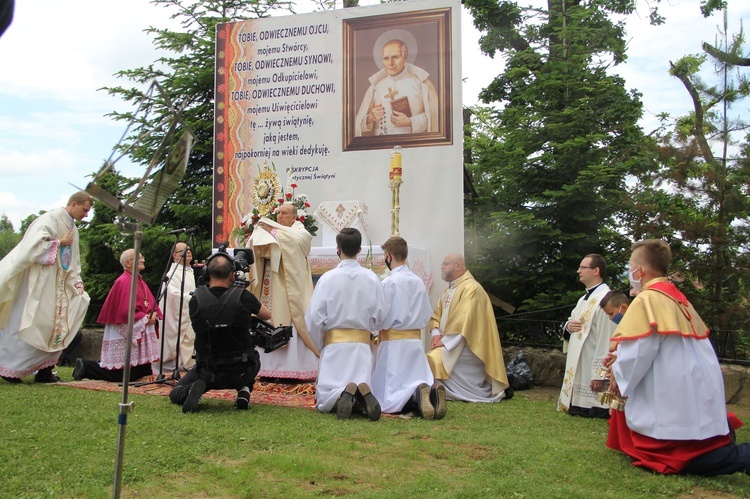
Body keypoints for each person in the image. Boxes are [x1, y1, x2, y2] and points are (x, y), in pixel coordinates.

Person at [605, 239, 750, 476]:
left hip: (671, 390)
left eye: (631, 265)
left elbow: (639, 351)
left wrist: (618, 373)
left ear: (639, 270)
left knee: (682, 457)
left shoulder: (648, 298)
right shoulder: (678, 298)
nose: (630, 271)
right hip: (692, 385)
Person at [0, 191, 92, 383]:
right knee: (30, 323)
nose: (86, 215)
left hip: (59, 287)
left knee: (56, 327)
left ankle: (45, 371)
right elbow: (31, 247)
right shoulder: (50, 219)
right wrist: (59, 243)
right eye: (84, 210)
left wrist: (77, 280)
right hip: (38, 285)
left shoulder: (73, 228)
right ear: (73, 204)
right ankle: (10, 369)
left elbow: (73, 259)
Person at [169, 251, 272, 413]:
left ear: (206, 274)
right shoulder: (243, 296)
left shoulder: (196, 299)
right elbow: (267, 315)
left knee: (176, 392)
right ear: (232, 275)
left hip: (208, 370)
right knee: (254, 355)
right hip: (243, 369)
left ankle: (191, 391)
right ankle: (244, 390)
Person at [305, 228, 387, 420]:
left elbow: (315, 317)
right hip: (361, 347)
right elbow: (381, 314)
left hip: (335, 348)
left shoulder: (327, 278)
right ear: (359, 249)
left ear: (338, 248)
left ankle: (341, 394)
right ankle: (361, 396)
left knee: (325, 397)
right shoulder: (371, 278)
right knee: (362, 378)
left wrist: (320, 345)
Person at [371, 236, 446, 419]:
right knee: (413, 376)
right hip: (414, 341)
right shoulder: (418, 281)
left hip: (393, 343)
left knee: (388, 394)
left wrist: (374, 327)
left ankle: (413, 396)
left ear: (389, 256)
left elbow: (383, 315)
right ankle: (428, 392)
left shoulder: (389, 282)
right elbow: (426, 313)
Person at [426, 254, 510, 402]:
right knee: (429, 360)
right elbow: (437, 315)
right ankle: (436, 388)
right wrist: (435, 334)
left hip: (466, 346)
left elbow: (464, 322)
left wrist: (443, 342)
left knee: (431, 360)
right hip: (451, 342)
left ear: (458, 266)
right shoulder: (450, 289)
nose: (441, 267)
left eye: (445, 264)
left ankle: (440, 389)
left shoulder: (472, 288)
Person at [249, 202, 319, 381]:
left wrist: (273, 232)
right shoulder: (272, 229)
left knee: (292, 317)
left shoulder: (301, 232)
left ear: (294, 217)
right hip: (270, 282)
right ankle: (267, 368)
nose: (280, 216)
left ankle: (294, 369)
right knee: (269, 318)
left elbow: (297, 243)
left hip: (290, 287)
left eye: (285, 213)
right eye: (278, 213)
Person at [73, 249, 162, 382]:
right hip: (124, 329)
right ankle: (86, 367)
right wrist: (145, 318)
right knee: (122, 375)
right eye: (139, 258)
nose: (143, 260)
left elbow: (147, 303)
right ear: (128, 262)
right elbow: (124, 311)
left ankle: (89, 367)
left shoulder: (138, 281)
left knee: (141, 371)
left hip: (139, 326)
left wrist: (152, 314)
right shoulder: (124, 281)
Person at [558, 254, 617, 418]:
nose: (578, 271)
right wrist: (568, 327)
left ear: (596, 270)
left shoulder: (606, 299)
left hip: (592, 361)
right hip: (579, 362)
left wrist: (600, 374)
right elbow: (571, 322)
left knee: (595, 405)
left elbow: (607, 339)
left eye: (583, 267)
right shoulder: (582, 299)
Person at [354, 38, 439, 137]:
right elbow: (358, 126)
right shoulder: (375, 88)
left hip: (413, 146)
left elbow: (435, 119)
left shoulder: (422, 84)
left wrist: (410, 121)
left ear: (405, 57)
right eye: (386, 58)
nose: (390, 63)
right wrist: (370, 118)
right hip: (382, 147)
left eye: (395, 57)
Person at [155, 242, 196, 374]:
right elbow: (173, 295)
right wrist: (194, 298)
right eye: (183, 250)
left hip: (192, 313)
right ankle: (178, 366)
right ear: (175, 256)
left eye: (189, 249)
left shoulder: (191, 271)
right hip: (179, 315)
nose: (188, 251)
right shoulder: (172, 273)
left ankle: (190, 364)